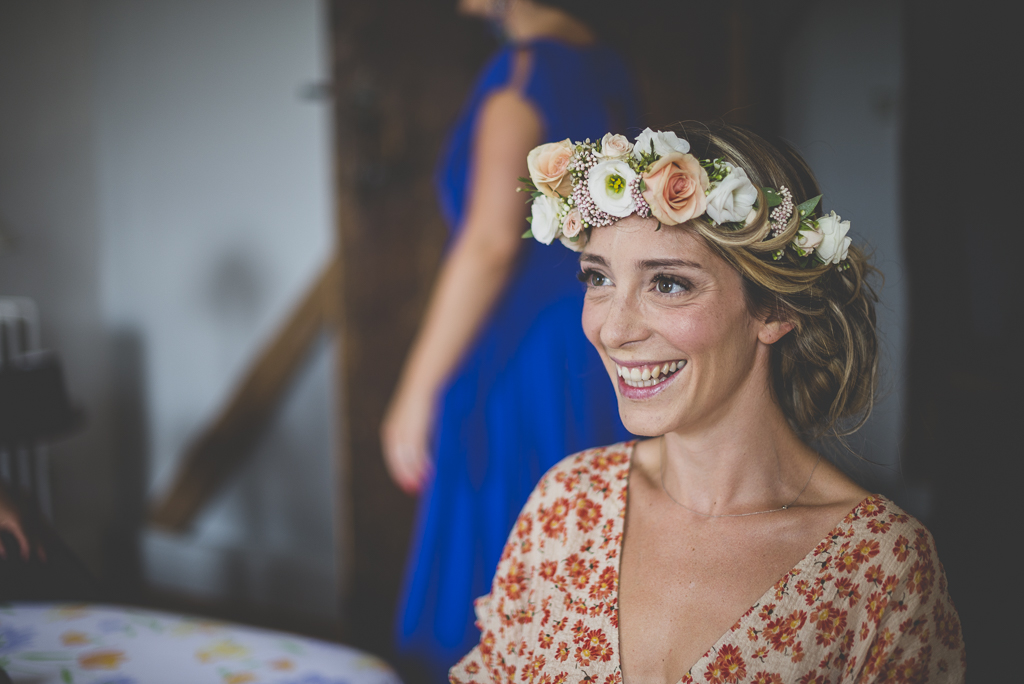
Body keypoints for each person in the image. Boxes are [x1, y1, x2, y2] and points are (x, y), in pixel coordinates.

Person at [450, 124, 966, 682]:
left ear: (773, 310)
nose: (613, 329)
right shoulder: (568, 504)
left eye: (668, 283)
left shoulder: (881, 568)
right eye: (597, 278)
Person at [380, 0, 638, 676]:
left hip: (517, 357)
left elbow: (491, 242)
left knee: (504, 552)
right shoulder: (604, 64)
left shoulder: (525, 72)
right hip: (589, 345)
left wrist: (413, 390)